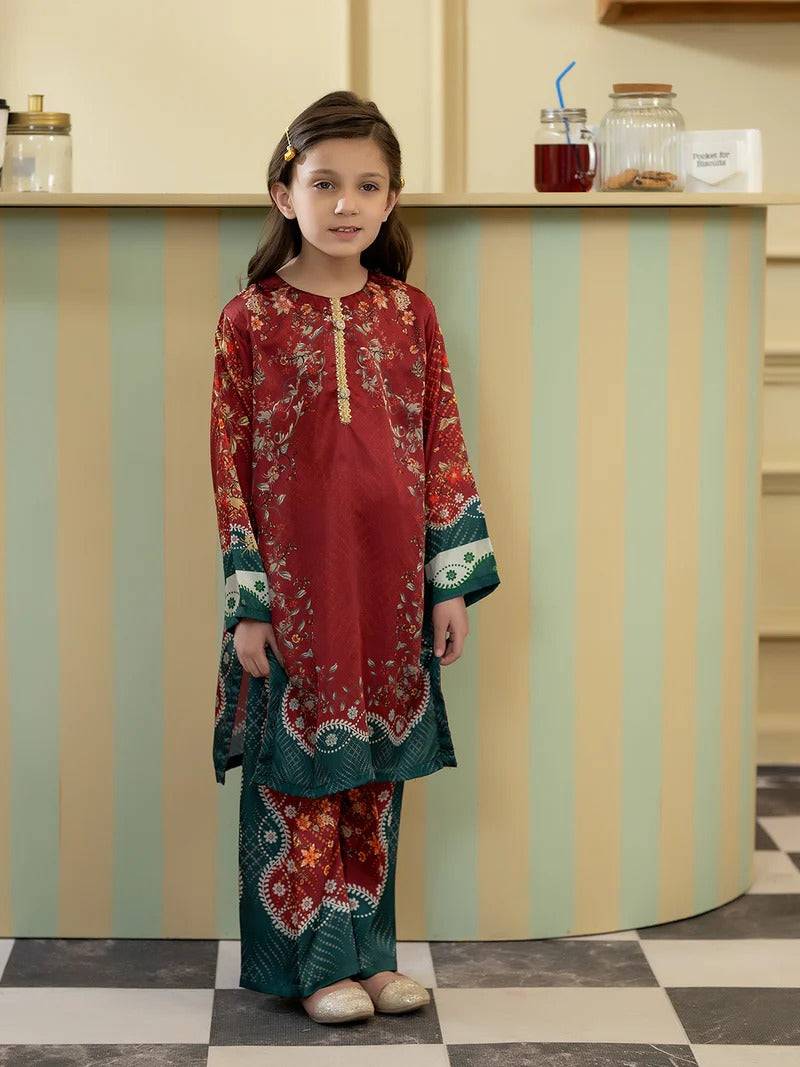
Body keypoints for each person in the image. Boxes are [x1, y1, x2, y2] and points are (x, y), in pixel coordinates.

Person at [209, 89, 501, 1025]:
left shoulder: (409, 313)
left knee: (372, 772)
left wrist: (448, 582)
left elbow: (444, 442)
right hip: (295, 588)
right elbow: (229, 462)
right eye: (324, 182)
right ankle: (309, 965)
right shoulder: (249, 318)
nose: (346, 203)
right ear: (283, 192)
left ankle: (373, 957)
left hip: (387, 584)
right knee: (297, 771)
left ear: (392, 198)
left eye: (367, 185)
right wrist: (248, 595)